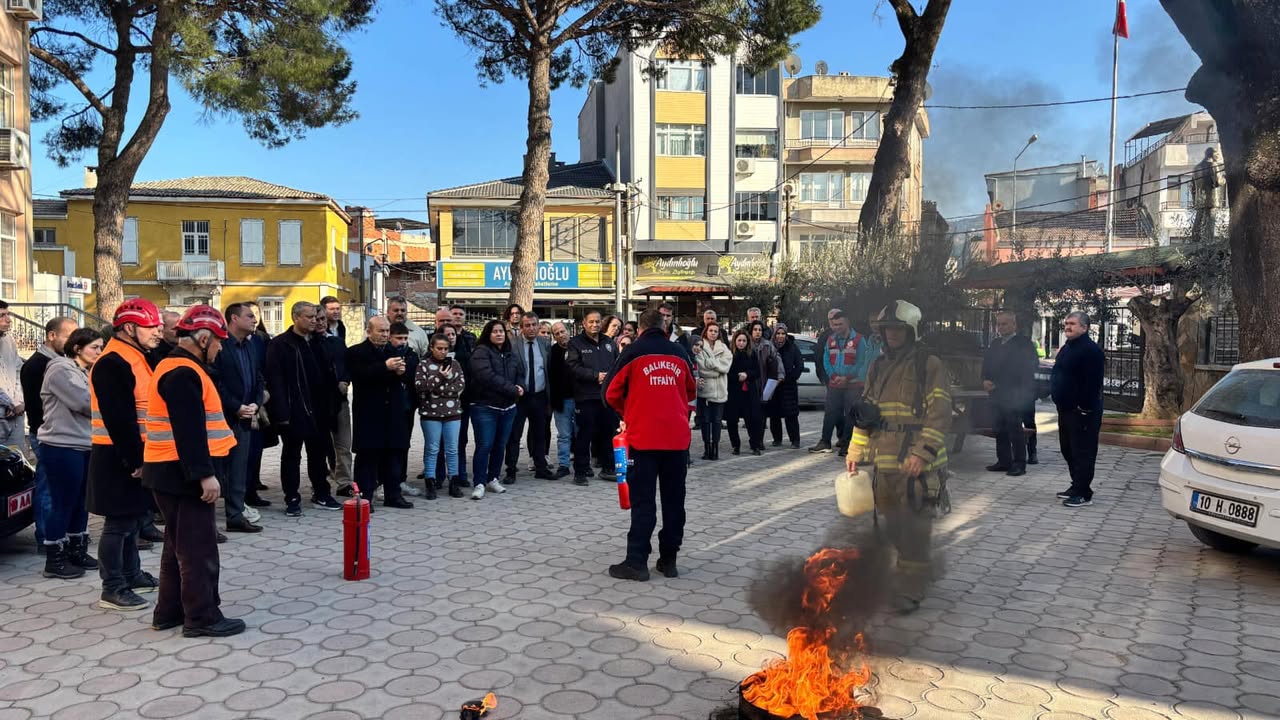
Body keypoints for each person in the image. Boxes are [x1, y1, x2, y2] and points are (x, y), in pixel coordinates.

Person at [141, 305, 245, 638]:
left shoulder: (175, 367)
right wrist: (204, 475)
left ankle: (168, 612)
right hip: (182, 475)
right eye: (217, 343)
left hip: (169, 471)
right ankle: (202, 618)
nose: (219, 350)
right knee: (198, 550)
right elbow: (189, 431)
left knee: (177, 547)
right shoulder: (183, 372)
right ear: (202, 338)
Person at [846, 300, 951, 614]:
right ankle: (895, 581)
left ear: (911, 331)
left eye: (897, 328)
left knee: (914, 531)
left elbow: (941, 414)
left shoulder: (928, 364)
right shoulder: (878, 365)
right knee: (890, 529)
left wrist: (922, 452)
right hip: (885, 464)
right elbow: (866, 414)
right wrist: (854, 451)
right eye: (887, 328)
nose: (891, 334)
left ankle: (910, 591)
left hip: (917, 466)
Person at [604, 308, 696, 581]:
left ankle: (636, 562)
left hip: (643, 439)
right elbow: (691, 390)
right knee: (674, 501)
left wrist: (626, 414)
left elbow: (609, 392)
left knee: (643, 501)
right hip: (677, 440)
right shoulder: (679, 353)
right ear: (664, 326)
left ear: (640, 328)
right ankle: (669, 560)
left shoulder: (632, 352)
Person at [88, 299, 165, 611]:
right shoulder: (113, 362)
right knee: (118, 523)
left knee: (132, 520)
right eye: (151, 326)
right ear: (130, 328)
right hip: (117, 454)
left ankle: (132, 574)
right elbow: (119, 418)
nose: (158, 332)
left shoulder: (137, 356)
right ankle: (113, 586)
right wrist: (134, 460)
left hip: (133, 451)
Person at [38, 328, 103, 581]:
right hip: (61, 445)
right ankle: (54, 558)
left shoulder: (84, 371)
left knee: (81, 501)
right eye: (94, 347)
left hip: (84, 444)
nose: (99, 352)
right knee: (63, 502)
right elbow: (85, 403)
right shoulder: (60, 369)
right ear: (77, 348)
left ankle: (77, 550)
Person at [266, 302, 340, 517]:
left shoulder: (319, 342)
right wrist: (281, 413)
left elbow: (329, 373)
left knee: (318, 454)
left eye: (316, 317)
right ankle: (292, 497)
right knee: (291, 455)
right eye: (309, 317)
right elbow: (275, 380)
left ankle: (321, 493)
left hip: (319, 410)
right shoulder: (280, 345)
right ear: (296, 317)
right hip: (294, 410)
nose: (314, 321)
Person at [345, 316, 418, 508]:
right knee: (368, 456)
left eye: (387, 331)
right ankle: (365, 497)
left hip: (394, 411)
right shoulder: (356, 352)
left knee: (394, 454)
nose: (385, 335)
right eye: (381, 331)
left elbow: (412, 376)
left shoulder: (396, 351)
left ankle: (393, 494)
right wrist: (385, 367)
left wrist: (403, 372)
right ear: (369, 331)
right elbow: (359, 375)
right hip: (370, 412)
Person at [20, 316, 76, 551]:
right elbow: (38, 408)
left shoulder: (60, 361)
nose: (73, 341)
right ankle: (45, 537)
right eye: (68, 335)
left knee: (59, 487)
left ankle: (59, 534)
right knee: (47, 487)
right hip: (46, 434)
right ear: (52, 335)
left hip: (58, 434)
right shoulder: (38, 365)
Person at [213, 304, 264, 533]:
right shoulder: (220, 346)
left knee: (238, 469)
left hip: (245, 417)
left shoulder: (252, 346)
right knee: (215, 469)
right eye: (250, 316)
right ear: (234, 318)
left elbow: (258, 378)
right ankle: (206, 521)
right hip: (223, 417)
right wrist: (236, 406)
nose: (255, 320)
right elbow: (216, 383)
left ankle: (235, 515)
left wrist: (256, 403)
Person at [1051, 311, 1105, 508]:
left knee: (1083, 451)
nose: (1068, 327)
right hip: (1066, 409)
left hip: (1083, 411)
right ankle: (1076, 485)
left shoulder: (1091, 351)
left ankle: (1084, 493)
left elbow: (1093, 383)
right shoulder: (1068, 348)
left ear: (1084, 327)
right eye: (1066, 323)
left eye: (1072, 324)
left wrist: (1085, 407)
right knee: (1068, 449)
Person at [468, 320, 524, 499]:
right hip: (485, 406)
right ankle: (479, 482)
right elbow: (486, 376)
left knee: (500, 446)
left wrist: (521, 386)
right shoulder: (481, 352)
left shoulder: (510, 353)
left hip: (508, 407)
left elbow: (520, 373)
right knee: (485, 445)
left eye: (501, 331)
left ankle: (493, 478)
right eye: (494, 331)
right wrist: (512, 389)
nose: (499, 334)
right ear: (487, 334)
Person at [982, 311, 1040, 478]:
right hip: (996, 394)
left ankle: (1019, 463)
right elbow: (987, 363)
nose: (1000, 327)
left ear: (1014, 325)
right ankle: (1004, 461)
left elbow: (1028, 368)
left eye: (1004, 324)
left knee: (1015, 428)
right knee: (999, 428)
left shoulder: (1024, 344)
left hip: (1015, 394)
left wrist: (1002, 383)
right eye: (998, 324)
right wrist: (985, 379)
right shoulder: (995, 343)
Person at [567, 311, 619, 486]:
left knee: (608, 433)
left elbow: (617, 366)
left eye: (597, 322)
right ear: (584, 323)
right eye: (591, 322)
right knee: (585, 434)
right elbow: (573, 367)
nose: (595, 325)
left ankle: (608, 468)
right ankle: (580, 472)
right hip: (586, 397)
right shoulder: (575, 344)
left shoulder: (610, 343)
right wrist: (596, 376)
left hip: (606, 397)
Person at [810, 311, 872, 455]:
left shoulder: (859, 340)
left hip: (853, 385)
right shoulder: (830, 339)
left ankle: (847, 445)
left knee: (851, 415)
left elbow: (862, 361)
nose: (837, 327)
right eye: (834, 324)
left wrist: (848, 377)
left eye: (840, 324)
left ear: (847, 322)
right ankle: (825, 441)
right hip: (835, 384)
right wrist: (833, 375)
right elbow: (826, 359)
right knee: (831, 413)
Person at [506, 313, 554, 482]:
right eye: (527, 325)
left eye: (534, 324)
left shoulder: (545, 343)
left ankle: (541, 468)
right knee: (514, 435)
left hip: (539, 396)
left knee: (540, 434)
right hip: (520, 397)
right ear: (521, 327)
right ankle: (511, 470)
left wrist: (549, 399)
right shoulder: (513, 345)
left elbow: (549, 372)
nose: (531, 328)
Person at [417, 334, 466, 498]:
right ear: (431, 348)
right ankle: (430, 482)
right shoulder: (423, 365)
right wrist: (440, 378)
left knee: (452, 449)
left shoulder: (455, 364)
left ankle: (454, 482)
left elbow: (460, 386)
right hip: (430, 414)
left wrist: (436, 390)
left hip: (452, 414)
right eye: (439, 348)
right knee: (432, 449)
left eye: (446, 349)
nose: (443, 352)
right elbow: (421, 387)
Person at [319, 297, 355, 499]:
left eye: (336, 308)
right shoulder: (307, 345)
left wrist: (345, 381)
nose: (322, 322)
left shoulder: (338, 337)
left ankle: (345, 482)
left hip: (339, 399)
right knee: (321, 445)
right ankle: (321, 481)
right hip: (318, 401)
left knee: (343, 444)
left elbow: (346, 363)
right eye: (319, 317)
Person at [695, 321, 731, 460]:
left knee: (717, 421)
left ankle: (715, 448)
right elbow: (702, 368)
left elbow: (726, 367)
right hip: (705, 391)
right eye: (711, 330)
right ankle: (706, 448)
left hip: (720, 391)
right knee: (705, 421)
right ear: (706, 331)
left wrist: (711, 364)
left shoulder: (724, 348)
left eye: (716, 331)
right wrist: (717, 369)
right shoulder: (700, 346)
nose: (713, 333)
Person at [724, 330, 762, 456]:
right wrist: (737, 377)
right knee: (732, 420)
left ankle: (755, 445)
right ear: (735, 341)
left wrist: (747, 374)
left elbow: (757, 371)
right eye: (739, 340)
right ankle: (736, 445)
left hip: (748, 392)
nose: (741, 343)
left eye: (744, 341)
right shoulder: (729, 355)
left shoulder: (752, 354)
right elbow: (725, 372)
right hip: (733, 392)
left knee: (752, 420)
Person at [767, 324, 804, 449]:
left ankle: (795, 440)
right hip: (774, 385)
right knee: (774, 415)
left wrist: (790, 378)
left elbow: (799, 365)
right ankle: (777, 439)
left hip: (788, 386)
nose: (780, 336)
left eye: (783, 333)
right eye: (778, 333)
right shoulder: (770, 347)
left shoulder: (792, 348)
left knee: (791, 415)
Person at [547, 321, 576, 478]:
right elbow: (550, 376)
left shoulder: (577, 347)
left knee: (580, 433)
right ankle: (564, 465)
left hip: (579, 398)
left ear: (568, 330)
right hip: (561, 400)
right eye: (556, 333)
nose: (560, 335)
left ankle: (581, 464)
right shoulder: (552, 351)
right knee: (563, 435)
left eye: (562, 331)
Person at [0, 301, 27, 453]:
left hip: (15, 415)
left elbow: (18, 370)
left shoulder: (8, 340)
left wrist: (18, 400)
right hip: (4, 411)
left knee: (16, 462)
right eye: (2, 315)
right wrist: (9, 402)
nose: (8, 319)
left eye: (7, 314)